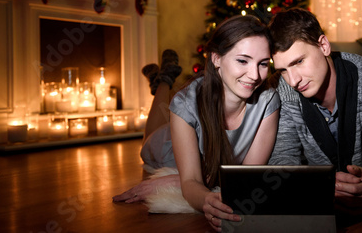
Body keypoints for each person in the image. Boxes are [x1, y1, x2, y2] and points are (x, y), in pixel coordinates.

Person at [113, 15, 280, 231]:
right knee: (151, 137)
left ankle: (161, 79)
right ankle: (163, 80)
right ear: (216, 59)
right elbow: (190, 181)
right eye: (242, 60)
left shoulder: (268, 100)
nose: (255, 75)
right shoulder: (184, 104)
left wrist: (192, 185)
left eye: (263, 64)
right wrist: (197, 192)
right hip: (170, 145)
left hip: (206, 156)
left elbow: (247, 176)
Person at [267, 8, 362, 218]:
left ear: (324, 46)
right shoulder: (282, 90)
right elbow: (282, 161)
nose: (293, 80)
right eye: (282, 70)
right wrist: (311, 187)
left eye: (299, 62)